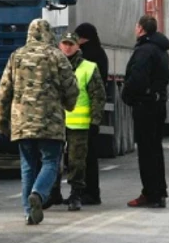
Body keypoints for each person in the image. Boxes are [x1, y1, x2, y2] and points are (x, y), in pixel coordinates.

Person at [0, 19, 79, 226]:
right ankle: (38, 194)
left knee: (27, 166)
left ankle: (28, 212)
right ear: (50, 34)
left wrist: (1, 122)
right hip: (50, 122)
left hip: (22, 122)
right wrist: (69, 105)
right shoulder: (57, 56)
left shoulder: (16, 56)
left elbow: (3, 92)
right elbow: (71, 88)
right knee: (50, 162)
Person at [53, 32, 106, 212]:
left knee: (77, 162)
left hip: (79, 124)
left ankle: (76, 194)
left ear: (78, 46)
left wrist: (95, 121)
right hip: (55, 123)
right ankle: (53, 193)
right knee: (53, 160)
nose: (67, 47)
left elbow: (98, 96)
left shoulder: (89, 68)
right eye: (64, 44)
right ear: (60, 46)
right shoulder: (53, 66)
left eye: (71, 44)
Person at [122, 15, 169, 208]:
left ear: (141, 29)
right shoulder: (161, 50)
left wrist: (127, 95)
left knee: (146, 152)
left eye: (136, 26)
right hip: (159, 104)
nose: (135, 29)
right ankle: (159, 192)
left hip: (146, 106)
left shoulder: (144, 51)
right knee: (156, 150)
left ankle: (150, 194)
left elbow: (137, 79)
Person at [73, 22, 108, 205]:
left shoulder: (87, 56)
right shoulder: (100, 53)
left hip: (83, 115)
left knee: (85, 157)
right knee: (88, 156)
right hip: (90, 114)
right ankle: (90, 192)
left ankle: (89, 192)